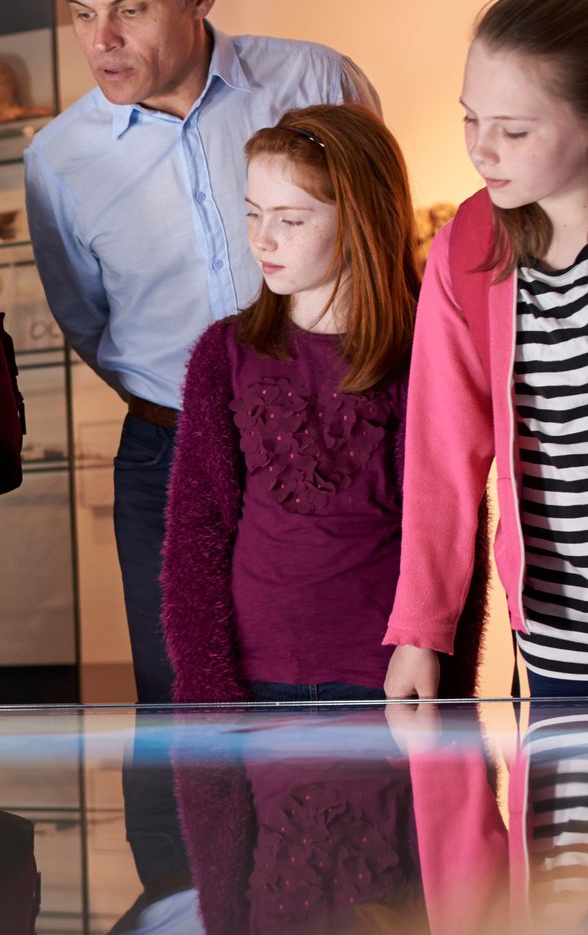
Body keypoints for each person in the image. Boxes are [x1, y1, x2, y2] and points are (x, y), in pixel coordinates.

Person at [26, 0, 378, 705]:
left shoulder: (314, 78)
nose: (102, 40)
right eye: (83, 13)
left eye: (130, 8)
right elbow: (86, 318)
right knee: (179, 699)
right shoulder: (58, 158)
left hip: (330, 430)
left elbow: (376, 242)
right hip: (167, 446)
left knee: (345, 686)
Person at [384, 0, 588, 700]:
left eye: (512, 130)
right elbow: (439, 457)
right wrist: (417, 632)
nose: (479, 149)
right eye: (469, 118)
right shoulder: (466, 244)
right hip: (560, 657)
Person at [163, 104, 420, 704]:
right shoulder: (224, 353)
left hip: (383, 676)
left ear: (360, 220)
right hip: (254, 676)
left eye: (291, 219)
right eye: (253, 213)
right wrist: (206, 685)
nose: (261, 238)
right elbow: (196, 533)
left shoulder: (418, 352)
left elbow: (437, 531)